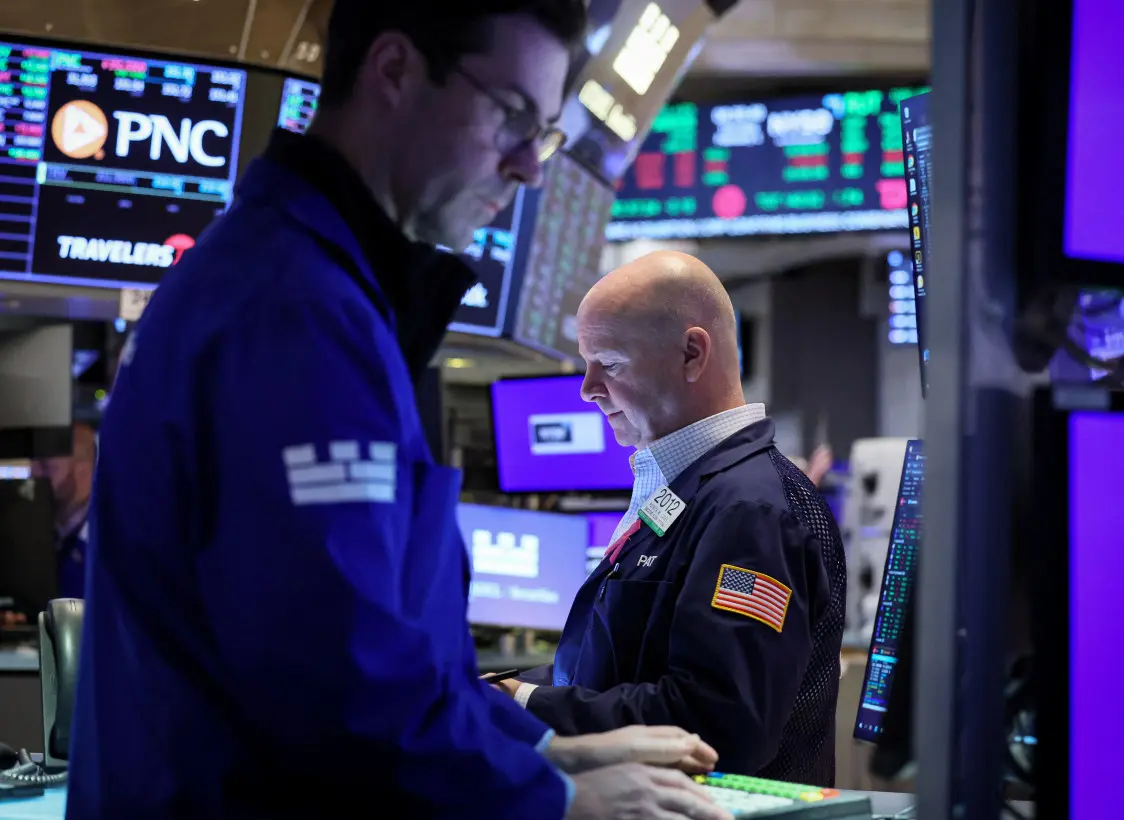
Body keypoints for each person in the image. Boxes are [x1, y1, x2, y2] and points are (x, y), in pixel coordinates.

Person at [66, 4, 731, 819]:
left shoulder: (317, 290)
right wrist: (556, 800)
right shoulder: (296, 312)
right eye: (513, 116)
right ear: (394, 69)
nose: (529, 167)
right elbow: (333, 684)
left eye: (544, 132)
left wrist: (547, 748)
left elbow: (396, 654)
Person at [495, 251, 848, 785]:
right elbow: (619, 669)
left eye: (608, 363)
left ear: (691, 353)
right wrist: (499, 688)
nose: (587, 388)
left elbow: (718, 726)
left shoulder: (750, 509)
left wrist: (526, 703)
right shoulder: (688, 491)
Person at [29, 421, 96, 599]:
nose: (33, 474)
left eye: (45, 467)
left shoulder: (107, 543)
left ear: (83, 470)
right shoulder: (36, 532)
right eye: (33, 464)